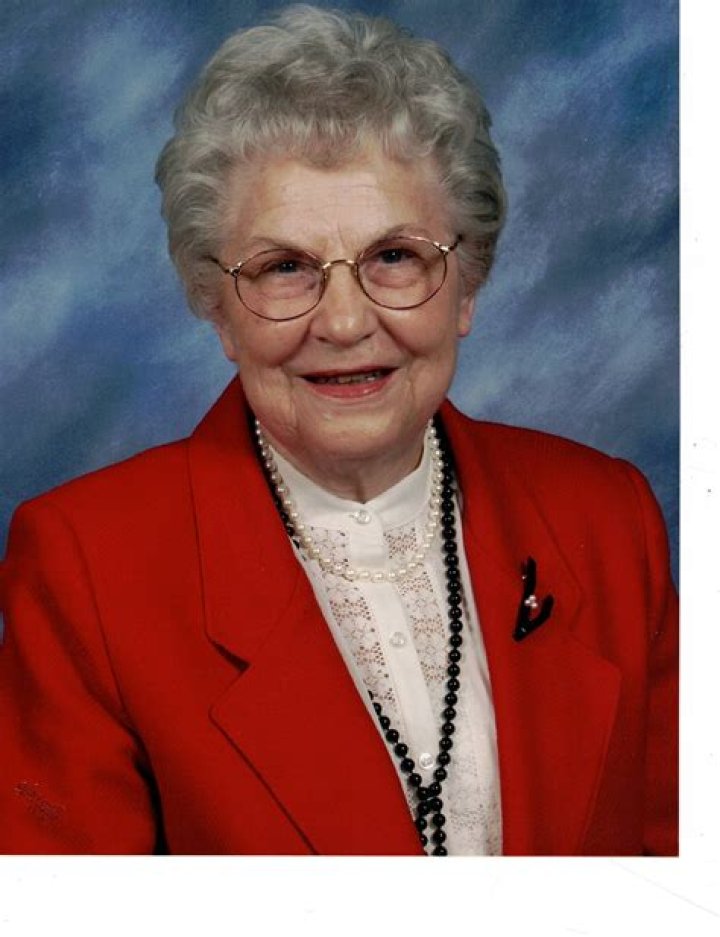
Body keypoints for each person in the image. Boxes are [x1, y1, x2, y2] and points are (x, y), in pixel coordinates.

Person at [0, 4, 677, 856]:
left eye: (395, 256)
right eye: (285, 267)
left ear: (467, 284)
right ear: (218, 307)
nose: (347, 322)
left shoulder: (606, 516)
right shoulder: (87, 567)